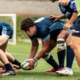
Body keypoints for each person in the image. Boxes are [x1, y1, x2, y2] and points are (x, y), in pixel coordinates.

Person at [48, 0, 77, 76]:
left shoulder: (67, 1)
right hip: (76, 23)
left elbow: (76, 11)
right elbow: (69, 13)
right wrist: (59, 17)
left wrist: (69, 23)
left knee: (70, 42)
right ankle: (65, 68)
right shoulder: (60, 3)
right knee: (70, 42)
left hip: (77, 23)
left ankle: (68, 69)